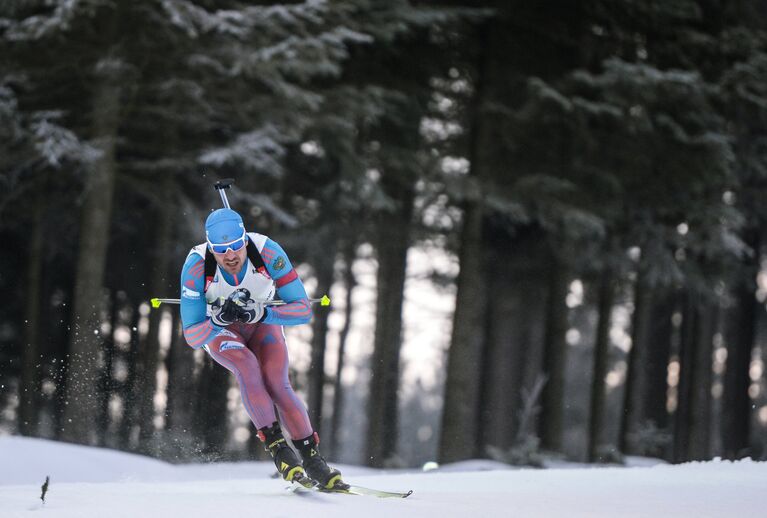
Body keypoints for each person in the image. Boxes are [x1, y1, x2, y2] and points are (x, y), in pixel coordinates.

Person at [179, 207, 343, 489]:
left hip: (263, 323)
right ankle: (280, 451)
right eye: (221, 250)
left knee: (277, 383)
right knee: (247, 366)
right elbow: (193, 336)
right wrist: (219, 319)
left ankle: (313, 460)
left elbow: (303, 310)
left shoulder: (267, 251)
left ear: (244, 240)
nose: (230, 256)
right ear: (210, 248)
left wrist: (261, 314)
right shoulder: (196, 265)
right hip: (222, 332)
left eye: (235, 247)